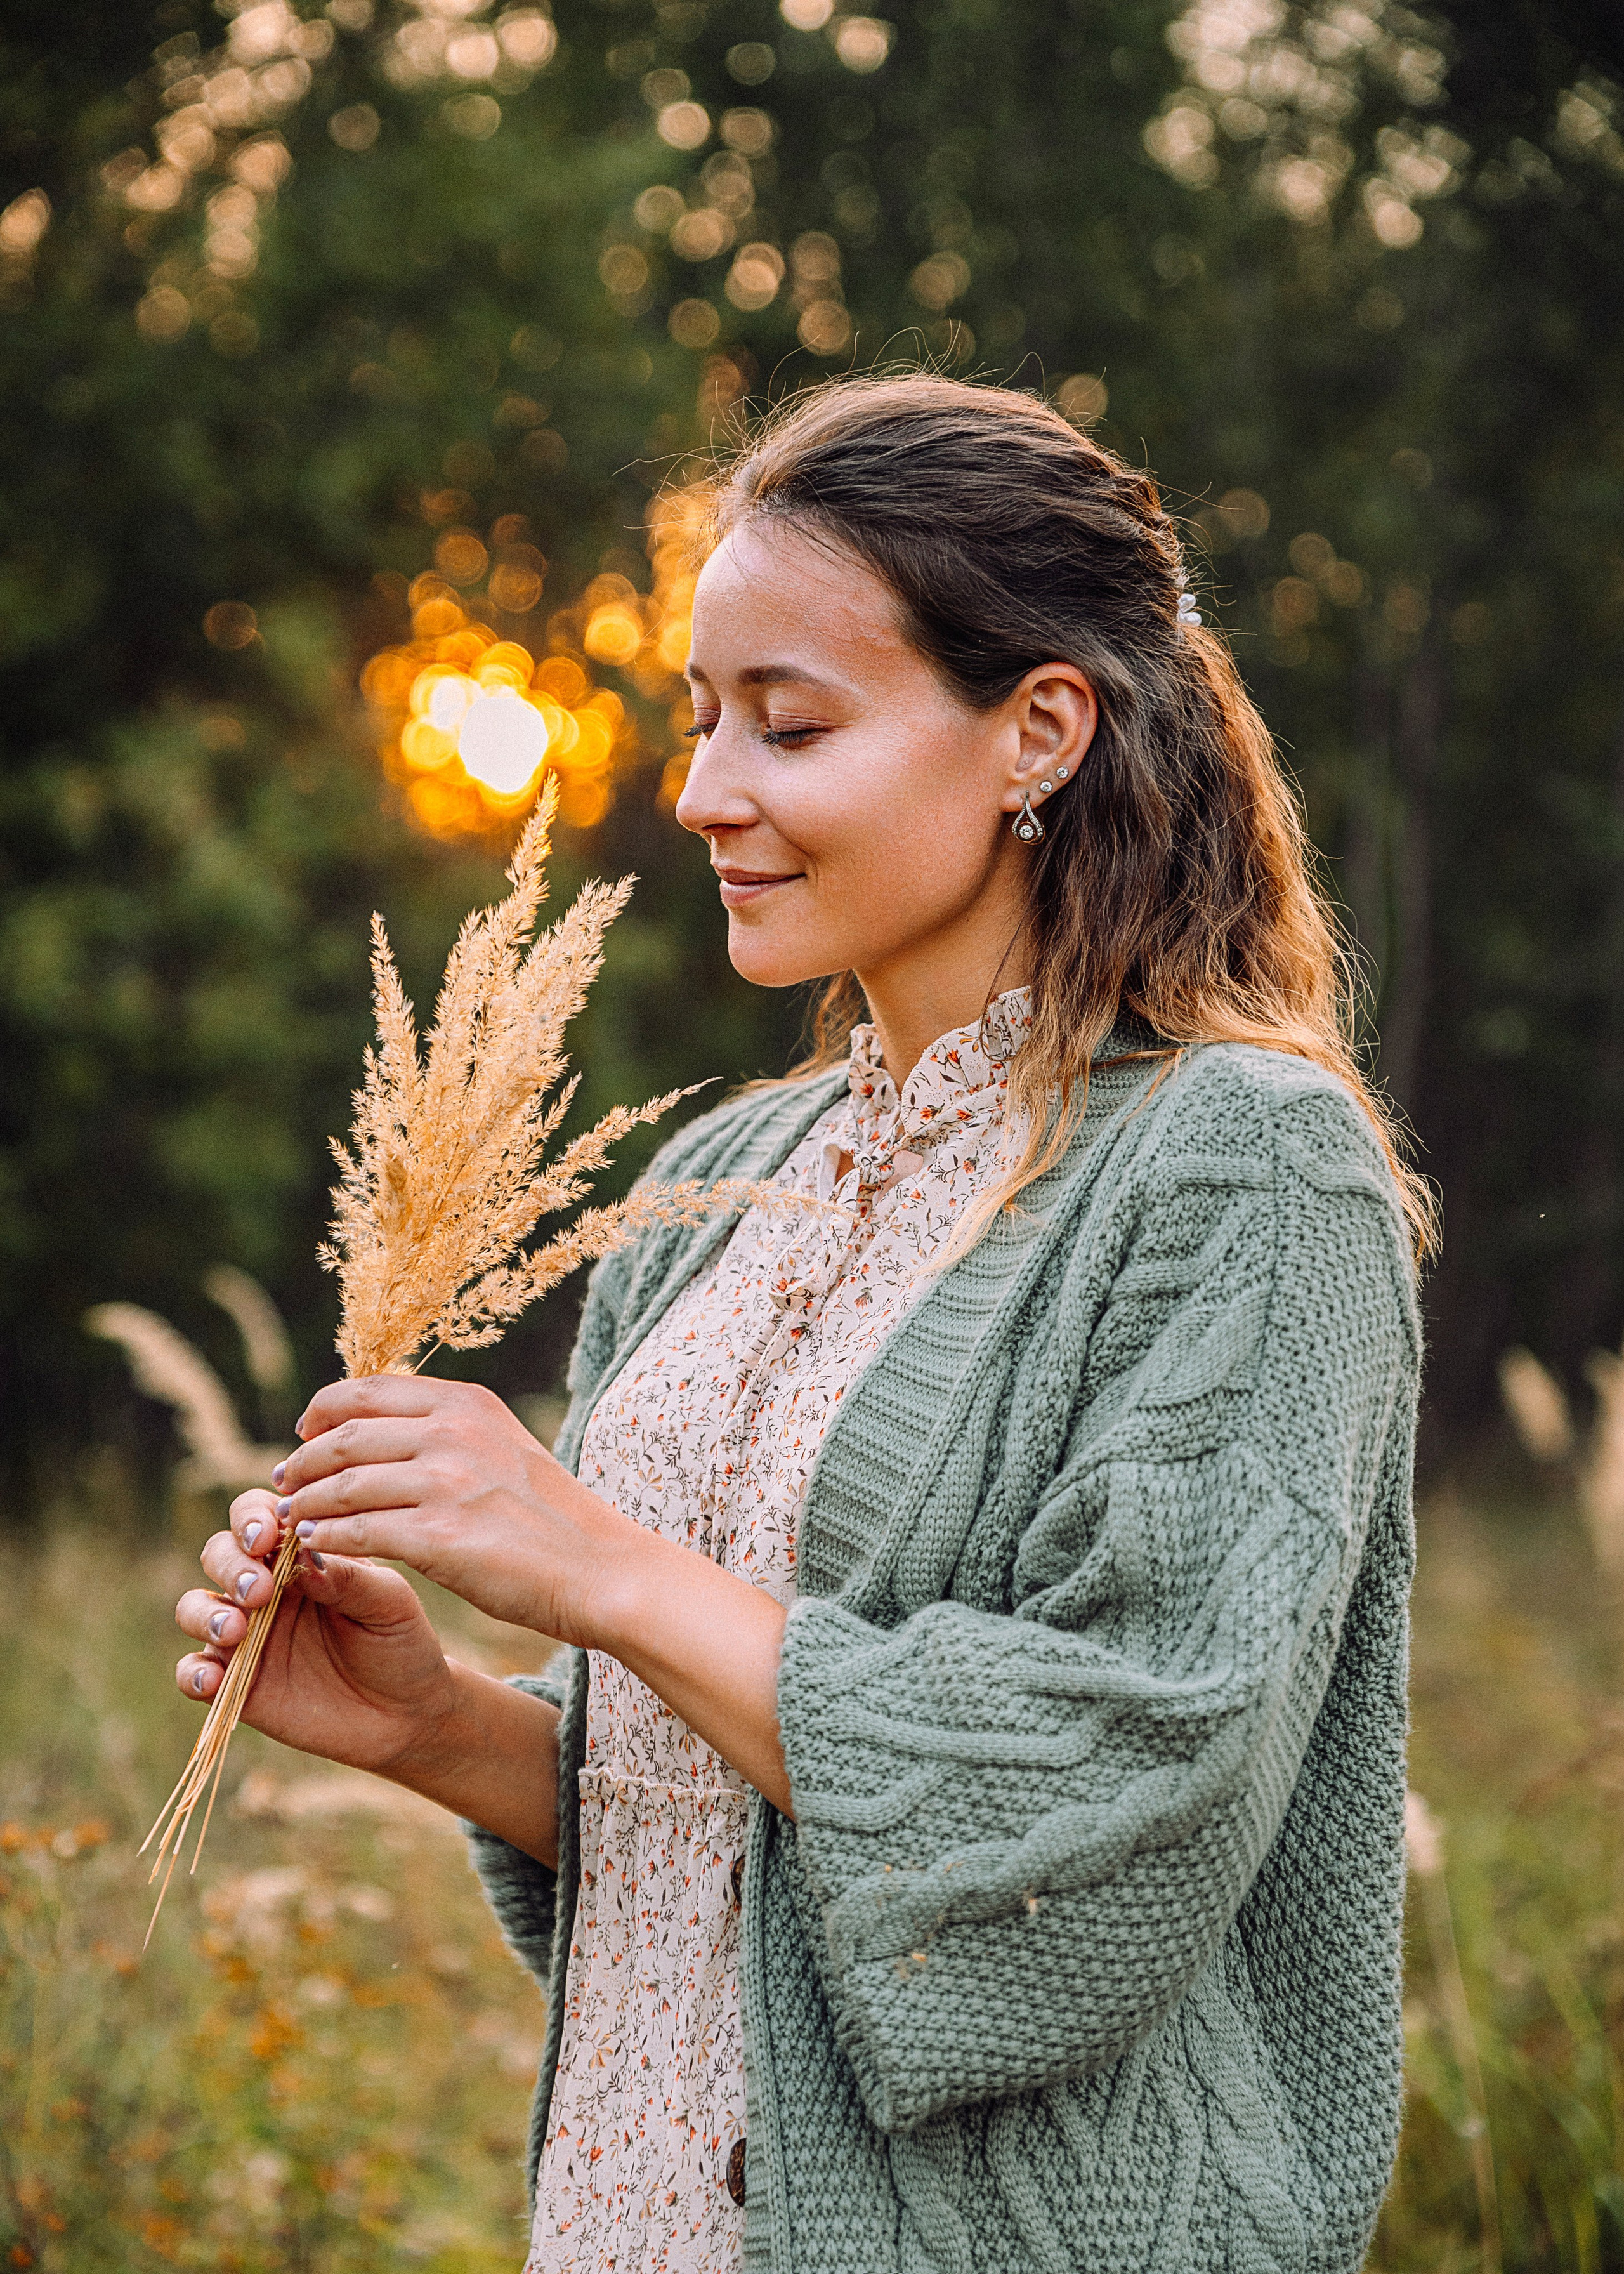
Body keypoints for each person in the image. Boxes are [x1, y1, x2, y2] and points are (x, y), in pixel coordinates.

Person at [173, 372, 1427, 2274]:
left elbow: (1125, 1795)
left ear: (1040, 730)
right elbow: (722, 1844)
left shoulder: (1249, 1168)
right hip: (633, 2220)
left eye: (792, 723)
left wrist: (595, 1566)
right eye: (702, 718)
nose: (704, 792)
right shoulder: (722, 1184)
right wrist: (440, 1730)